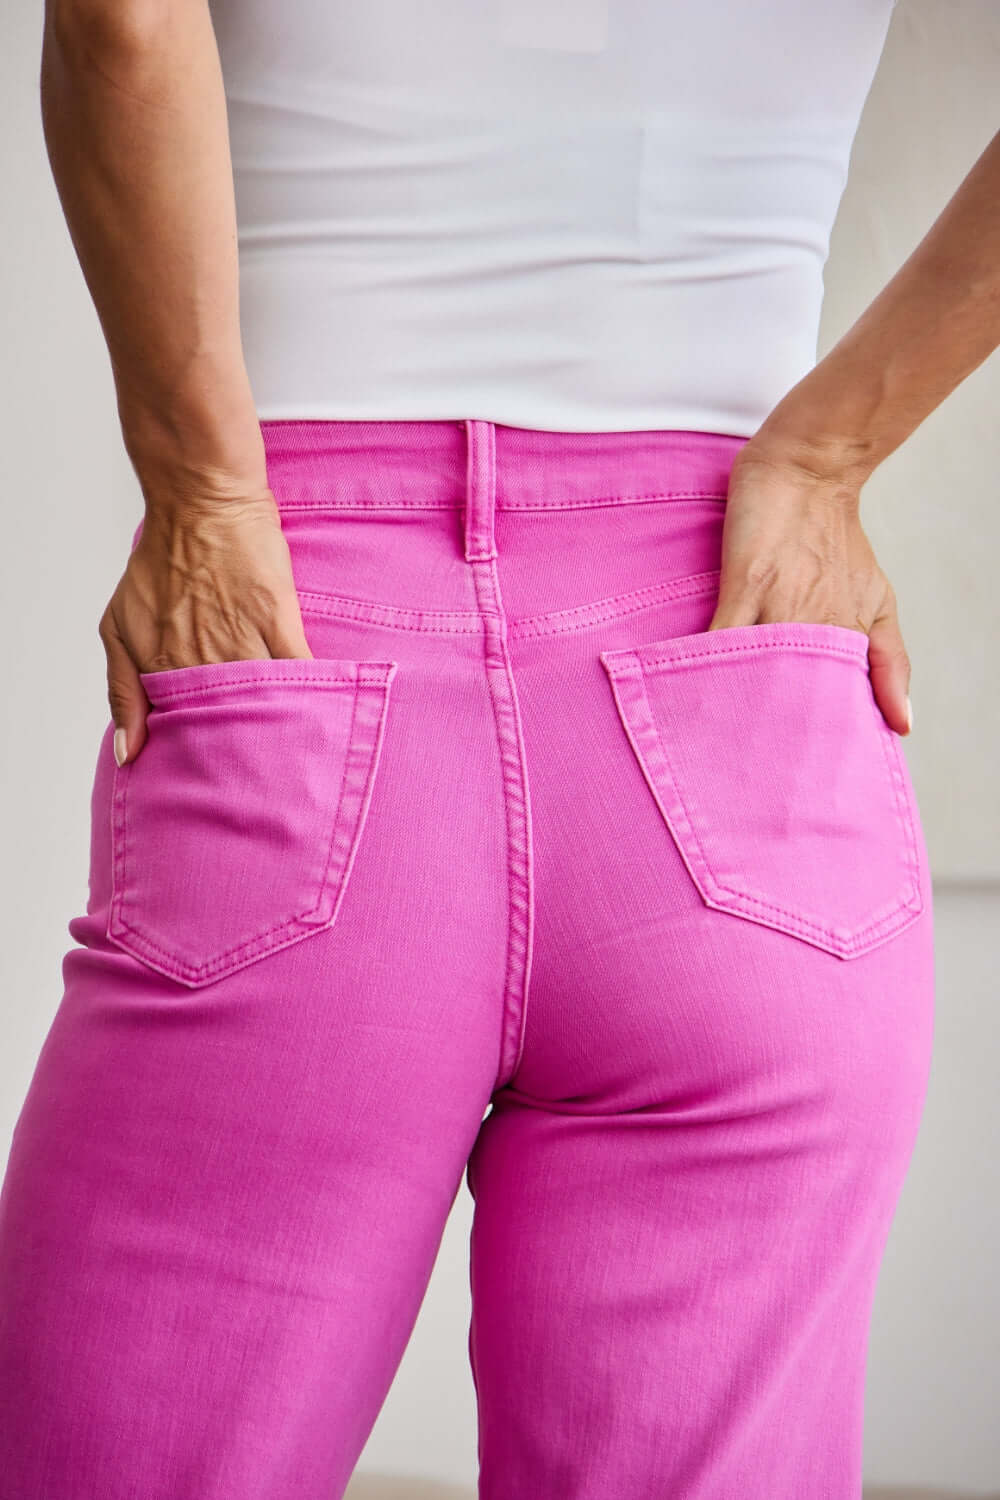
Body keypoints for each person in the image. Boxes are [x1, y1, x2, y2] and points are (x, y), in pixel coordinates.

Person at [0, 0, 997, 1495]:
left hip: (300, 612)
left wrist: (201, 494)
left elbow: (123, 22)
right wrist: (831, 449)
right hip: (730, 635)